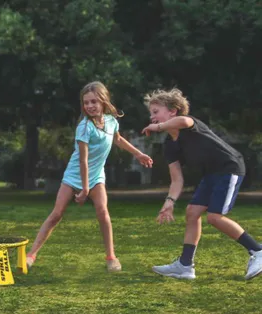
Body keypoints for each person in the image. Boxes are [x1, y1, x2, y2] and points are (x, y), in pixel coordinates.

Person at [26, 81, 153, 272]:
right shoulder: (84, 127)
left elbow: (117, 139)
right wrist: (84, 188)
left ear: (103, 101)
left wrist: (138, 154)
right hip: (75, 175)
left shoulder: (111, 121)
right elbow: (82, 161)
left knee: (103, 212)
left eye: (94, 101)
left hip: (96, 176)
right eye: (86, 103)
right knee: (57, 214)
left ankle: (111, 257)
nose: (90, 106)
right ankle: (31, 255)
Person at [142, 88, 262, 280]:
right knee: (192, 212)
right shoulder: (169, 145)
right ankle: (185, 265)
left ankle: (257, 251)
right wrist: (170, 201)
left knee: (214, 217)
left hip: (229, 167)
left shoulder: (189, 124)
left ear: (173, 111)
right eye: (151, 113)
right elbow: (177, 179)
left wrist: (157, 127)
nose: (152, 117)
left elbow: (183, 120)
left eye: (156, 112)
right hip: (211, 174)